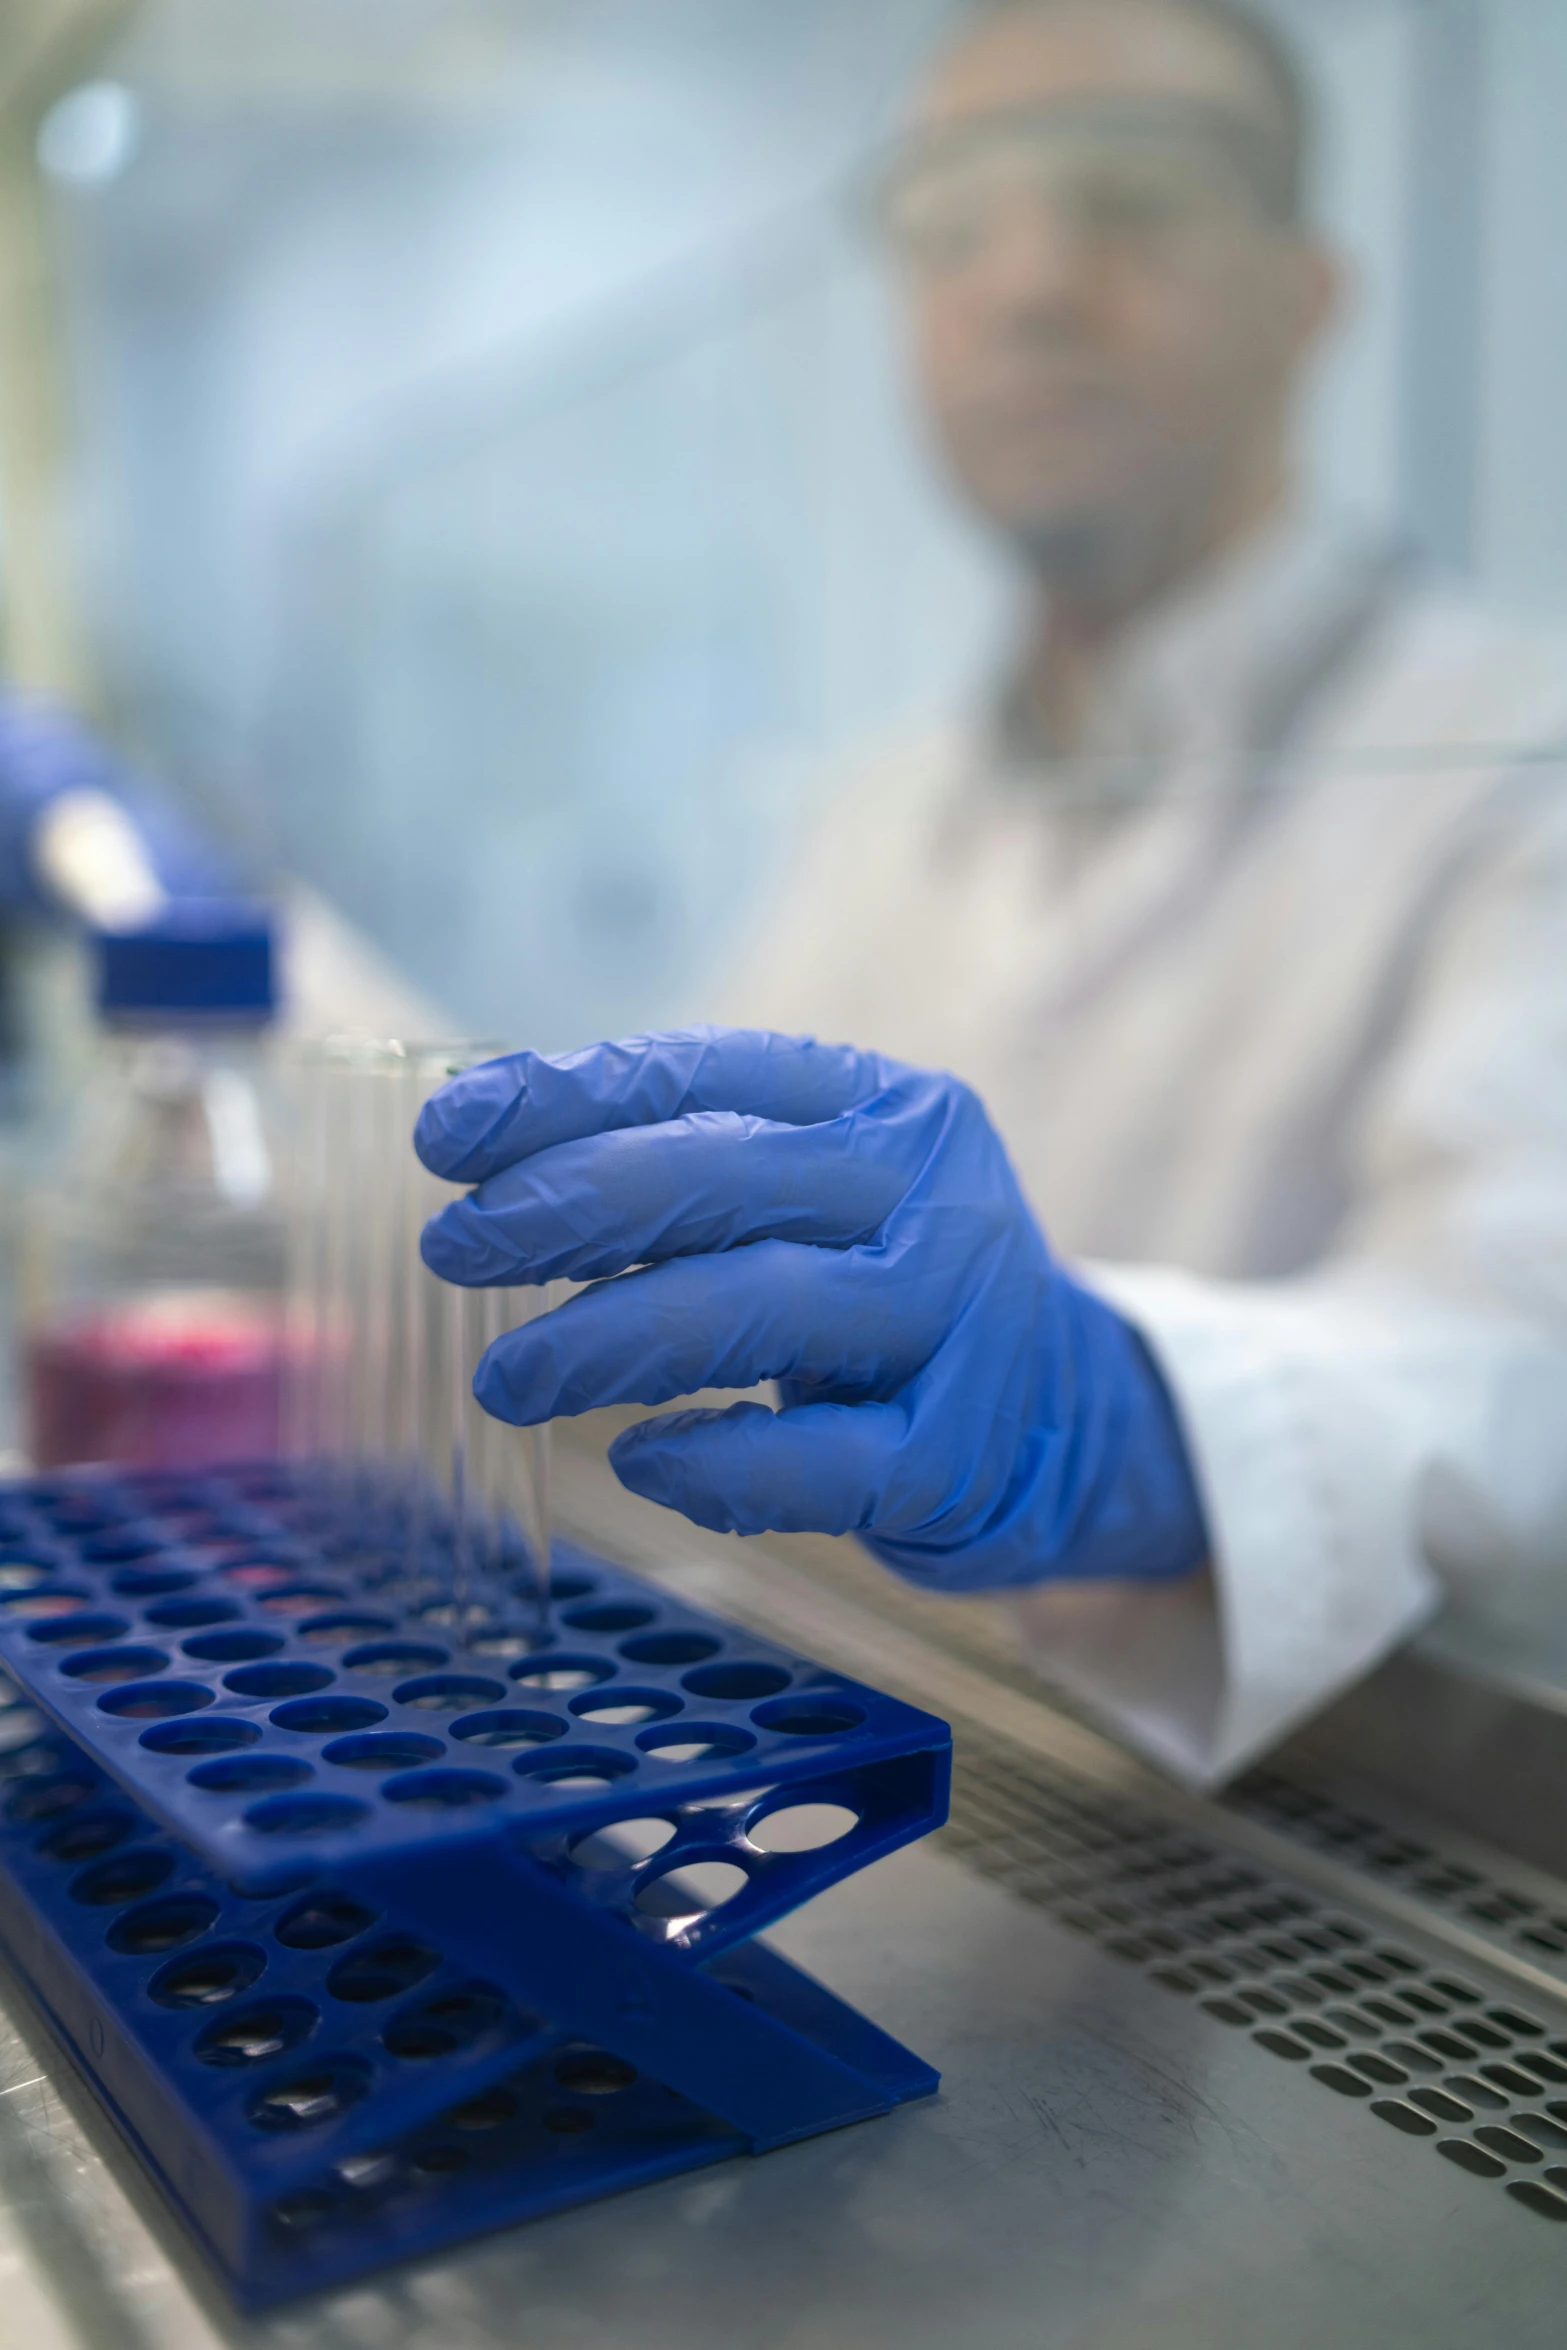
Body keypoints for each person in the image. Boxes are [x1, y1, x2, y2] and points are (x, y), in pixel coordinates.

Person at [419, 0, 1567, 1790]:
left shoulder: (1518, 761)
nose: (1028, 283)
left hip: (1306, 1837)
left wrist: (1132, 1421)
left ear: (1308, 291)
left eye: (1127, 195)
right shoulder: (885, 806)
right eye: (952, 226)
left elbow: (1521, 1367)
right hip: (871, 1765)